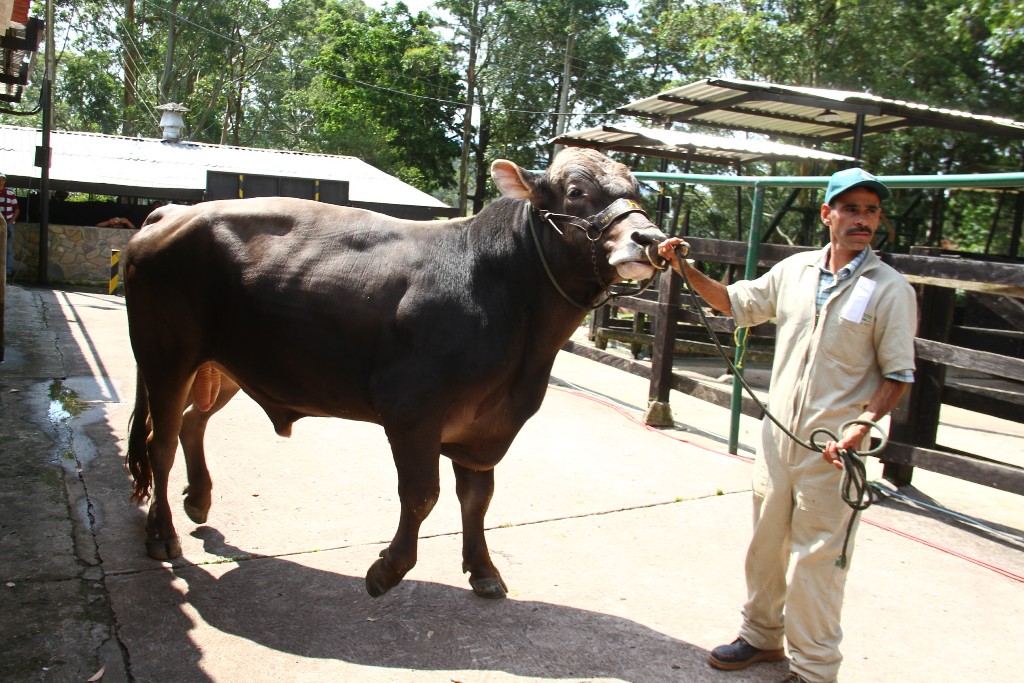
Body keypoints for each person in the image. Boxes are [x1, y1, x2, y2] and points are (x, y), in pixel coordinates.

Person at [658, 168, 917, 683]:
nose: (862, 219)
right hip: (778, 439)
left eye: (870, 210)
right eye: (851, 209)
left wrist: (862, 425)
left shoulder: (890, 289)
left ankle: (816, 669)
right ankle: (760, 638)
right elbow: (735, 304)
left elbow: (898, 374)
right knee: (766, 546)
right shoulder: (795, 272)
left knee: (819, 561)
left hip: (836, 449)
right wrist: (685, 267)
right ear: (828, 215)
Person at [2, 172, 20, 279]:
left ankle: (7, 271)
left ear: (4, 181)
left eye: (2, 179)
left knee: (8, 248)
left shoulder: (9, 193)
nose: (0, 181)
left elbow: (17, 209)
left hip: (8, 224)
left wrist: (10, 222)